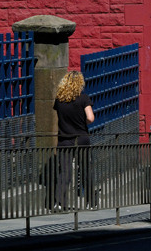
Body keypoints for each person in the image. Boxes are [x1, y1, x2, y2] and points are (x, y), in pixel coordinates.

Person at [53, 70, 95, 209]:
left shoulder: (59, 100)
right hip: (81, 138)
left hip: (64, 138)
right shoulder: (83, 99)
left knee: (64, 172)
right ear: (79, 84)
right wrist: (82, 123)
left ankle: (60, 203)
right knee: (85, 170)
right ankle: (91, 202)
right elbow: (90, 118)